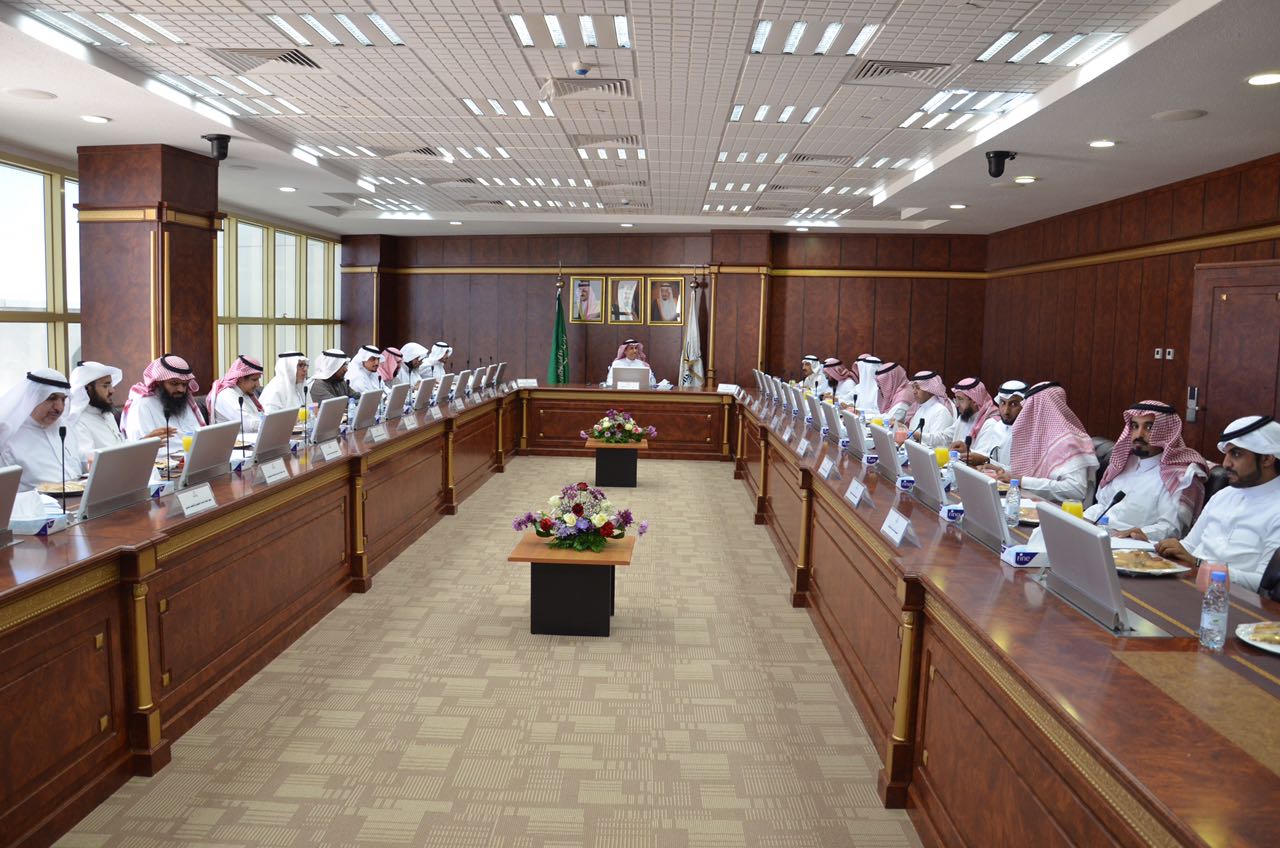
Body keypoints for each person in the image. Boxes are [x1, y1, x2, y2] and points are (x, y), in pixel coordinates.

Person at [1156, 416, 1280, 592]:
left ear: (1267, 459)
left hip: (1235, 600)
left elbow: (1264, 584)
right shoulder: (1223, 495)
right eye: (1226, 454)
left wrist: (1200, 564)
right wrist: (1161, 547)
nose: (1226, 463)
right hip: (1189, 585)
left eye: (1236, 454)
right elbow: (1188, 546)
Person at [1083, 402, 1208, 541]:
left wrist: (1138, 533)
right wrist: (1082, 520)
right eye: (1135, 426)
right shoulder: (1123, 462)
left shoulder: (1180, 476)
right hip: (1102, 537)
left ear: (1165, 432)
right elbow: (1102, 505)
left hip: (1137, 546)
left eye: (1149, 427)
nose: (1139, 434)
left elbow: (1171, 529)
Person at [992, 381, 1096, 503]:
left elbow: (1076, 490)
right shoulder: (1038, 437)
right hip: (1034, 504)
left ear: (1042, 409)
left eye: (1030, 407)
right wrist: (997, 468)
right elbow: (1026, 473)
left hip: (1060, 511)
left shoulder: (1069, 441)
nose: (1025, 412)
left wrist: (1022, 481)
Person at [0, 369, 83, 491]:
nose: (59, 408)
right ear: (32, 397)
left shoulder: (65, 427)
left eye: (63, 399)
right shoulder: (7, 436)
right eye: (51, 398)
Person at [123, 354, 205, 450]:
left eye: (184, 384)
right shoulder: (142, 405)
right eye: (174, 383)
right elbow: (141, 448)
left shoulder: (183, 402)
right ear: (159, 382)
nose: (181, 389)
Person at [69, 360, 126, 463]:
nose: (112, 390)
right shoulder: (78, 421)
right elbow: (87, 461)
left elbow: (119, 446)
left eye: (111, 385)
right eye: (105, 386)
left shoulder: (107, 414)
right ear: (88, 389)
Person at [964, 380, 1025, 467]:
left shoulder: (1029, 434)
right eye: (1003, 403)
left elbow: (1019, 472)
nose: (1006, 411)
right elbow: (988, 456)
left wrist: (987, 461)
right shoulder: (998, 426)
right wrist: (966, 451)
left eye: (1013, 404)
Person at [207, 355, 265, 431]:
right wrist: (271, 424)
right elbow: (249, 425)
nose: (258, 385)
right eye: (254, 380)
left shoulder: (245, 393)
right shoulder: (226, 396)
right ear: (240, 378)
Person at [906, 371, 956, 448]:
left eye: (918, 388)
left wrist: (918, 436)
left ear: (930, 390)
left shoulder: (941, 411)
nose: (914, 392)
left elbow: (938, 445)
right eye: (913, 387)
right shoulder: (920, 408)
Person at [947, 378, 998, 448]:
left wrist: (964, 451)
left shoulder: (990, 423)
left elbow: (982, 453)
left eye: (960, 399)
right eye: (956, 399)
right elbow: (946, 436)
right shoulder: (965, 416)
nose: (956, 405)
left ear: (974, 401)